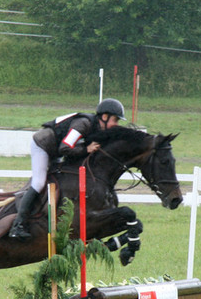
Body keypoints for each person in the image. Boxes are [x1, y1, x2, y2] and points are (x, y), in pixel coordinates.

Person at [8, 98, 126, 241]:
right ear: (105, 117)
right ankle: (18, 226)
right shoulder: (84, 123)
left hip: (56, 150)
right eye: (115, 120)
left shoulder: (97, 128)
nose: (116, 124)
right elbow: (65, 148)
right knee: (39, 183)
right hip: (43, 146)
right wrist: (86, 149)